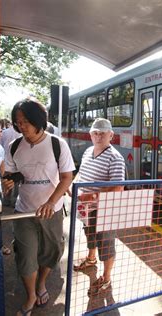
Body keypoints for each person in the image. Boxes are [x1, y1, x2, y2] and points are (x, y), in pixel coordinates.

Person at [1, 98, 74, 316]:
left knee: (50, 252)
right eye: (17, 122)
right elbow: (13, 175)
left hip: (52, 210)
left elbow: (67, 177)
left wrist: (51, 202)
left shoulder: (57, 144)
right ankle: (31, 294)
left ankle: (42, 283)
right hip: (24, 211)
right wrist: (9, 182)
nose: (21, 126)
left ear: (38, 120)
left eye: (25, 121)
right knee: (26, 255)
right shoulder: (13, 146)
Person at [72, 118, 125, 296]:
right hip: (86, 208)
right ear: (90, 135)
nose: (98, 136)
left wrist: (91, 196)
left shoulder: (115, 157)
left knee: (106, 243)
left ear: (111, 135)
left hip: (105, 210)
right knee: (90, 233)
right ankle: (91, 259)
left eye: (103, 133)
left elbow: (118, 187)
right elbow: (81, 172)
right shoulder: (88, 151)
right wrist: (74, 184)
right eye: (95, 132)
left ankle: (106, 278)